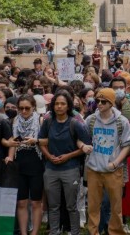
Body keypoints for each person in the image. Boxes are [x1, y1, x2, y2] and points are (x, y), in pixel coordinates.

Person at [81, 87, 130, 235]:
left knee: (116, 207)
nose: (99, 104)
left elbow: (127, 145)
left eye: (103, 101)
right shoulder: (90, 120)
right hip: (93, 169)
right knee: (92, 206)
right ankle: (93, 232)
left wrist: (116, 162)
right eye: (97, 100)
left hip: (113, 170)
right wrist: (83, 146)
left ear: (111, 103)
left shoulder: (121, 122)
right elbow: (81, 139)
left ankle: (116, 232)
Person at [38, 90, 91, 235]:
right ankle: (54, 231)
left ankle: (74, 232)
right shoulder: (48, 122)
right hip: (51, 169)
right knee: (53, 205)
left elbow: (86, 147)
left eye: (63, 104)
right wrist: (49, 156)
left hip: (70, 169)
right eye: (57, 104)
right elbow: (41, 142)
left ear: (68, 106)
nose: (59, 106)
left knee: (71, 205)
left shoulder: (76, 124)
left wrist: (68, 156)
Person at [14, 94, 44, 235]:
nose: (24, 111)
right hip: (19, 162)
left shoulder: (40, 120)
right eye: (21, 108)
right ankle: (24, 232)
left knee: (36, 202)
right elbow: (10, 142)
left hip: (36, 161)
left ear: (33, 107)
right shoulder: (15, 120)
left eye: (27, 108)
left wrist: (36, 141)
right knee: (21, 202)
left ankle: (35, 232)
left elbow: (47, 141)